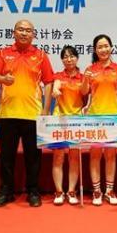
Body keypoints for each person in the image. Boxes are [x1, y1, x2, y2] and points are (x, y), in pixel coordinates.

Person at [0, 20, 54, 207]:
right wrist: (3, 79)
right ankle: (6, 191)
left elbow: (48, 82)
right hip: (7, 114)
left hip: (33, 114)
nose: (24, 33)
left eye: (28, 30)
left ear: (33, 34)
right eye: (20, 29)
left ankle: (33, 191)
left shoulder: (40, 55)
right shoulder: (3, 53)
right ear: (14, 32)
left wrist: (45, 110)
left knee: (33, 157)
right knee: (6, 157)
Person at [81, 34, 117, 206]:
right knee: (95, 155)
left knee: (110, 156)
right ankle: (96, 191)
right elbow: (84, 92)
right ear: (95, 50)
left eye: (106, 46)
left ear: (111, 47)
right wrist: (85, 78)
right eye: (100, 47)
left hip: (113, 117)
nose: (103, 49)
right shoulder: (90, 69)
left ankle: (109, 190)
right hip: (94, 117)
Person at [51, 46, 85, 205]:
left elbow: (87, 95)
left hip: (76, 120)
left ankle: (71, 191)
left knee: (74, 157)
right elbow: (55, 87)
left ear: (77, 58)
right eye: (65, 57)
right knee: (58, 157)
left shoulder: (83, 77)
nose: (68, 59)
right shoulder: (58, 76)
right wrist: (55, 91)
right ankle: (59, 192)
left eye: (71, 56)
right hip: (59, 120)